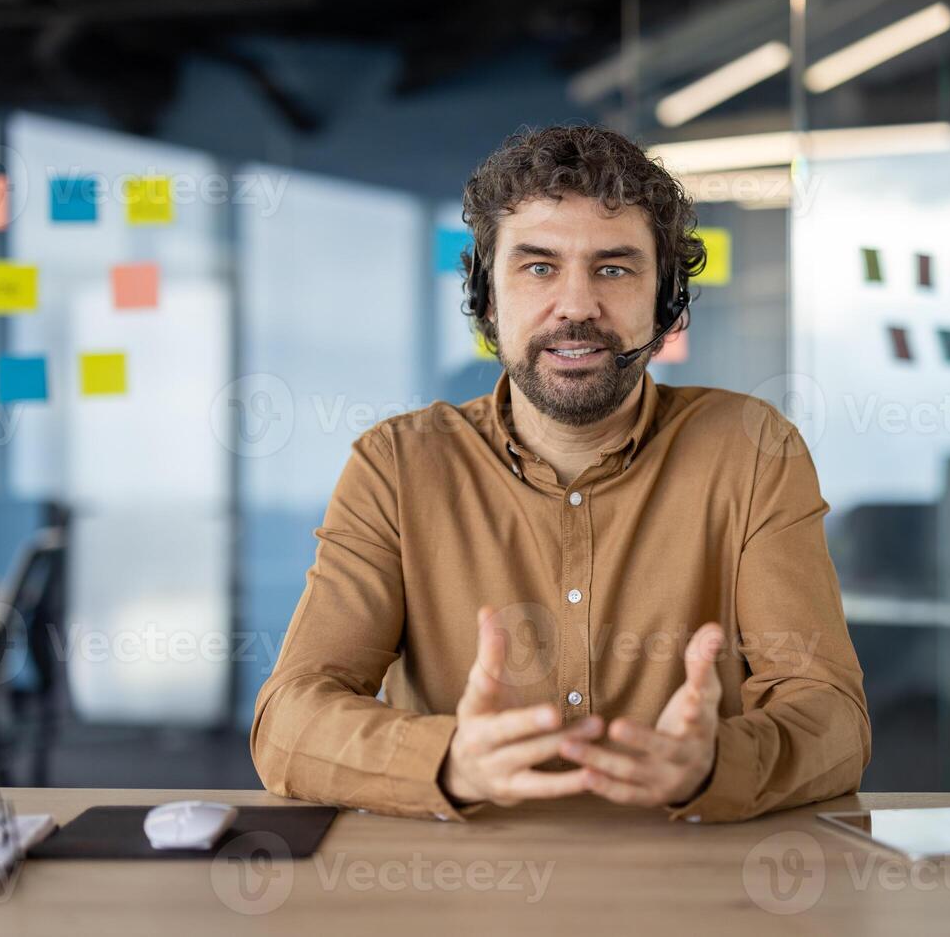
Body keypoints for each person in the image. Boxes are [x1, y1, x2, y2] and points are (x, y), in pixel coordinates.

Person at [251, 125, 870, 822]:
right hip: (457, 896)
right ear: (489, 297)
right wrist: (450, 760)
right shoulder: (396, 467)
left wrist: (716, 765)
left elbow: (833, 717)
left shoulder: (754, 450)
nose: (576, 306)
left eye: (614, 268)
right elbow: (288, 723)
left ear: (667, 301)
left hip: (690, 887)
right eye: (539, 267)